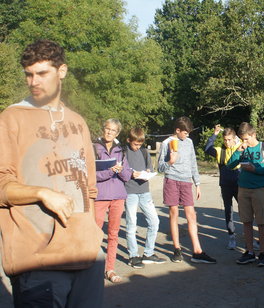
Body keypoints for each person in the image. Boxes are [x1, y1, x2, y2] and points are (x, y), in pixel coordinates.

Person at [0, 39, 104, 307]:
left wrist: (92, 234)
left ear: (62, 71)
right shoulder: (11, 118)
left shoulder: (77, 121)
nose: (34, 81)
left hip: (85, 256)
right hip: (38, 260)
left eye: (42, 73)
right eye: (29, 74)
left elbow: (90, 187)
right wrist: (42, 193)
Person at [158, 116, 216, 264]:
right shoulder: (167, 143)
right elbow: (159, 167)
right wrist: (170, 161)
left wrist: (197, 183)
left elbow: (193, 163)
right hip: (171, 180)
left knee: (191, 214)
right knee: (174, 214)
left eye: (188, 133)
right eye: (185, 133)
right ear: (177, 130)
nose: (187, 135)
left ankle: (197, 251)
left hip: (186, 182)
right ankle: (177, 249)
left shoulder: (189, 142)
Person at [226, 122, 264, 266]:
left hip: (260, 189)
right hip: (243, 189)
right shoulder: (241, 148)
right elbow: (229, 165)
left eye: (246, 139)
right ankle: (249, 252)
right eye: (242, 139)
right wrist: (238, 151)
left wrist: (255, 170)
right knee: (246, 221)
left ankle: (262, 253)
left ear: (253, 135)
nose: (244, 142)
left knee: (261, 222)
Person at [94, 118, 132, 283]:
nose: (109, 132)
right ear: (103, 129)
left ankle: (110, 268)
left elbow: (127, 176)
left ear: (117, 133)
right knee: (94, 234)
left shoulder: (121, 150)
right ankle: (92, 269)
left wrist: (121, 170)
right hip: (100, 196)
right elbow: (90, 175)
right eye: (107, 129)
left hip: (118, 196)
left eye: (113, 130)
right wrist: (109, 172)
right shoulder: (93, 147)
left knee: (113, 234)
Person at [124, 127, 166, 268]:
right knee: (131, 225)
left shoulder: (144, 151)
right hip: (130, 192)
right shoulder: (123, 152)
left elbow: (150, 168)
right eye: (135, 144)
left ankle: (148, 253)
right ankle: (133, 255)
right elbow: (121, 170)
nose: (137, 147)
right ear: (129, 140)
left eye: (140, 144)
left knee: (154, 221)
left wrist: (148, 171)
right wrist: (130, 174)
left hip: (144, 191)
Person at [205, 124, 241, 249]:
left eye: (229, 139)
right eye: (225, 139)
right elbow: (207, 148)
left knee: (244, 210)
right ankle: (231, 236)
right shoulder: (220, 151)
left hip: (239, 184)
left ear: (234, 138)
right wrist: (214, 134)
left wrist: (239, 142)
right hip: (225, 185)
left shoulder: (240, 148)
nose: (227, 142)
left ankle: (249, 236)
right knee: (228, 210)